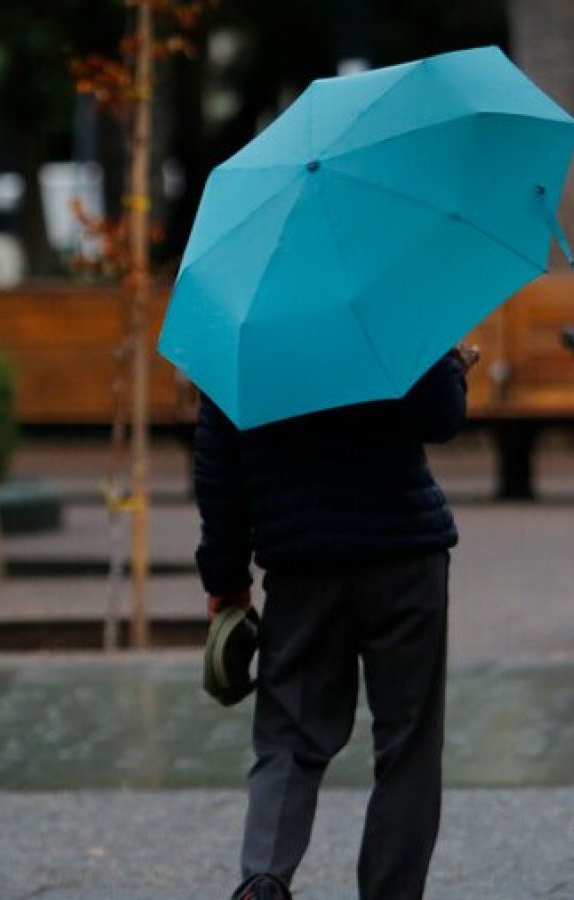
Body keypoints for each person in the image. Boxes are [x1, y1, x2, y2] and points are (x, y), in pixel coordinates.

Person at [192, 344, 480, 900]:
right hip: (404, 557)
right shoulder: (390, 301)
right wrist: (449, 366)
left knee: (288, 737)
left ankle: (264, 879)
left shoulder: (244, 323)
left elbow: (217, 463)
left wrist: (225, 578)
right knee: (408, 746)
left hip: (303, 564)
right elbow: (441, 418)